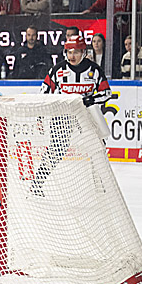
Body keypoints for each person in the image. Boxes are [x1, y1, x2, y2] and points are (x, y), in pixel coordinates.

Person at [33, 37, 112, 195]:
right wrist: (42, 113)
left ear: (83, 52)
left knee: (98, 147)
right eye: (69, 52)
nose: (72, 56)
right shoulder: (57, 70)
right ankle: (37, 183)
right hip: (62, 115)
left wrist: (91, 99)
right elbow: (44, 92)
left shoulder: (95, 70)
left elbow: (106, 93)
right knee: (56, 149)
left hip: (87, 115)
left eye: (76, 52)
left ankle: (100, 183)